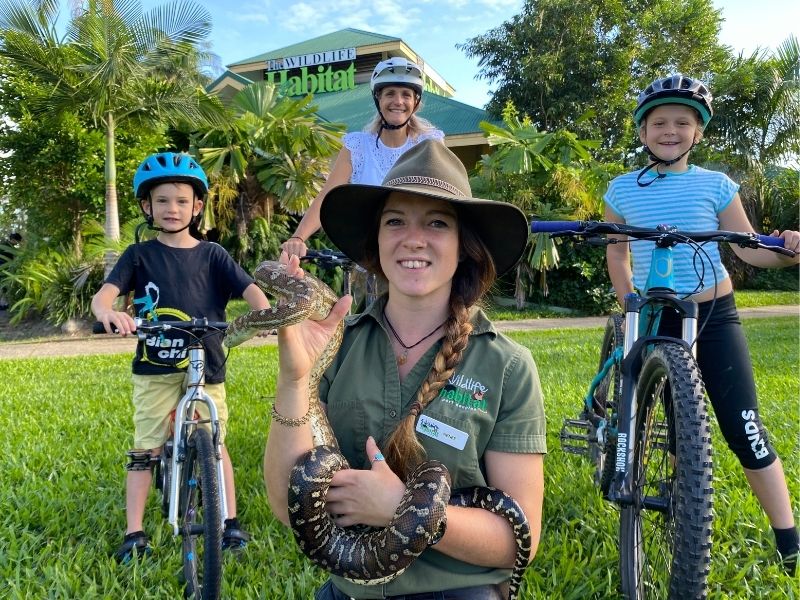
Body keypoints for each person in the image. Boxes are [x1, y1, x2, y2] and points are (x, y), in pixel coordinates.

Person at [265, 140, 546, 599]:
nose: (413, 239)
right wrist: (296, 380)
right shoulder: (338, 343)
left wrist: (404, 508)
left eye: (437, 223)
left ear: (464, 247)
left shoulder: (506, 364)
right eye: (395, 221)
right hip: (347, 589)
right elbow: (287, 504)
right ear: (377, 241)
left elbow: (519, 540)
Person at [604, 74, 800, 574]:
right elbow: (618, 253)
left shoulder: (715, 185)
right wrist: (628, 297)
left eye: (682, 122)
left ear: (698, 132)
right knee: (668, 418)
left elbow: (746, 248)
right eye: (659, 122)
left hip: (713, 314)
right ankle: (658, 484)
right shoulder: (621, 189)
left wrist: (788, 252)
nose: (670, 130)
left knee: (744, 425)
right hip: (655, 313)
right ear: (643, 131)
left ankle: (789, 539)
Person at [91, 152, 270, 563]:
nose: (173, 209)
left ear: (198, 206)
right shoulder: (138, 255)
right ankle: (134, 532)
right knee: (146, 449)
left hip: (206, 364)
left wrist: (263, 316)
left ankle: (229, 523)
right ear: (146, 207)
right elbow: (104, 297)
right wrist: (109, 312)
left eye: (182, 201)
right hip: (155, 366)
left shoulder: (213, 255)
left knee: (216, 441)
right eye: (163, 201)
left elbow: (252, 294)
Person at [281, 57, 444, 258]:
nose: (398, 101)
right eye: (390, 94)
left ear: (415, 102)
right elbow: (327, 196)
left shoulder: (429, 143)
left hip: (416, 254)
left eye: (406, 95)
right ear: (378, 99)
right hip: (369, 257)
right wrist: (298, 238)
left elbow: (445, 201)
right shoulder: (357, 146)